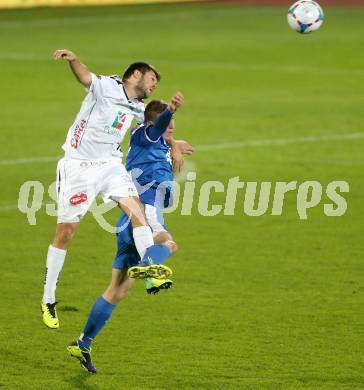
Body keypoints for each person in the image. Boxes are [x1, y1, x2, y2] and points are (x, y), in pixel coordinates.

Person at [41, 49, 177, 329]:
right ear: (135, 74)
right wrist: (73, 59)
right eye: (151, 79)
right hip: (78, 166)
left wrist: (175, 145)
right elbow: (84, 76)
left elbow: (154, 131)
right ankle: (48, 298)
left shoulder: (140, 108)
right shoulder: (107, 86)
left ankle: (149, 264)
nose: (153, 86)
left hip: (110, 165)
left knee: (135, 208)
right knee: (66, 233)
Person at [67, 97, 193, 374]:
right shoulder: (148, 132)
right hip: (145, 208)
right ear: (153, 120)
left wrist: (174, 144)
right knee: (166, 242)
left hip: (128, 218)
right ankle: (151, 271)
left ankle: (83, 342)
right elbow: (157, 127)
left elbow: (160, 134)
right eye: (167, 121)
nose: (171, 125)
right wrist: (170, 110)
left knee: (118, 289)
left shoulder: (151, 139)